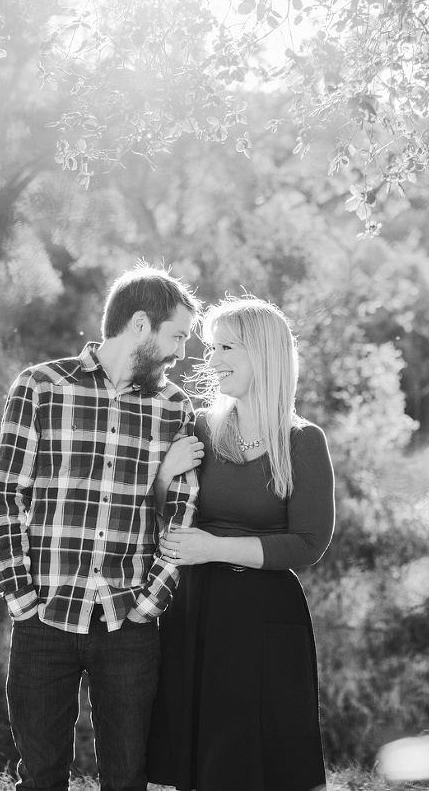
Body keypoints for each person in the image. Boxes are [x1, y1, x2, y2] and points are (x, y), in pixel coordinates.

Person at [0, 265, 202, 791]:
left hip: (128, 622)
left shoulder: (174, 407)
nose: (180, 353)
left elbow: (182, 507)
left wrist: (152, 600)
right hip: (43, 618)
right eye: (176, 336)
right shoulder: (39, 386)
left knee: (128, 778)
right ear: (139, 325)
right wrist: (19, 594)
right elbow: (6, 492)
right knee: (40, 777)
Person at [145, 296, 336, 791]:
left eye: (225, 347)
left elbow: (309, 543)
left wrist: (214, 548)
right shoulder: (200, 428)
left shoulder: (303, 441)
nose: (211, 361)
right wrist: (164, 477)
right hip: (192, 608)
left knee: (252, 762)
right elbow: (161, 515)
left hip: (263, 618)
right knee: (200, 759)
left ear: (264, 352)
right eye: (210, 348)